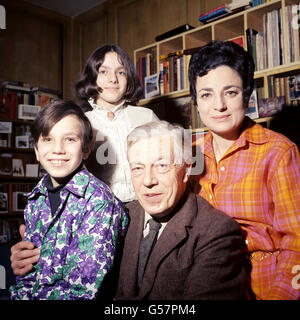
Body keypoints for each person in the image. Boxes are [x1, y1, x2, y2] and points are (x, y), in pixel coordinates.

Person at [188, 40, 300, 300]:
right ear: (195, 100)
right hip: (202, 283)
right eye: (206, 94)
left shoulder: (279, 152)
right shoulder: (187, 152)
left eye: (230, 92)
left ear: (247, 94)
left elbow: (297, 243)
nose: (219, 106)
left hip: (263, 285)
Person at [115, 120, 248, 299]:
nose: (148, 181)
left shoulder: (216, 231)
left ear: (186, 170)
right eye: (138, 168)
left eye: (161, 166)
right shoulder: (121, 216)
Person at [9, 100, 128, 300]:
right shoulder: (35, 201)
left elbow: (84, 292)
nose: (58, 149)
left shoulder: (98, 201)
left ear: (86, 148)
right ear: (36, 150)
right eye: (48, 139)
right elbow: (26, 276)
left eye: (70, 139)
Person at [75, 44, 159, 203]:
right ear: (92, 77)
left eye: (121, 72)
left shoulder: (147, 117)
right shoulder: (80, 122)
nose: (113, 79)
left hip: (144, 206)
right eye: (103, 72)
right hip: (97, 211)